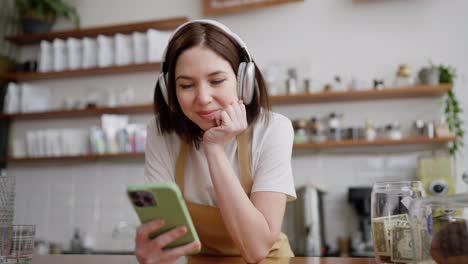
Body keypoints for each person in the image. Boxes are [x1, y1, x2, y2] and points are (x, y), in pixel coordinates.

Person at [135, 19, 296, 264]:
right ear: (170, 93)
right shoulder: (161, 134)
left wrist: (214, 149)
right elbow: (164, 238)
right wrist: (152, 255)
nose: (203, 98)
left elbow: (255, 249)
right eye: (186, 85)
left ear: (244, 81)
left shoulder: (274, 129)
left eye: (217, 81)